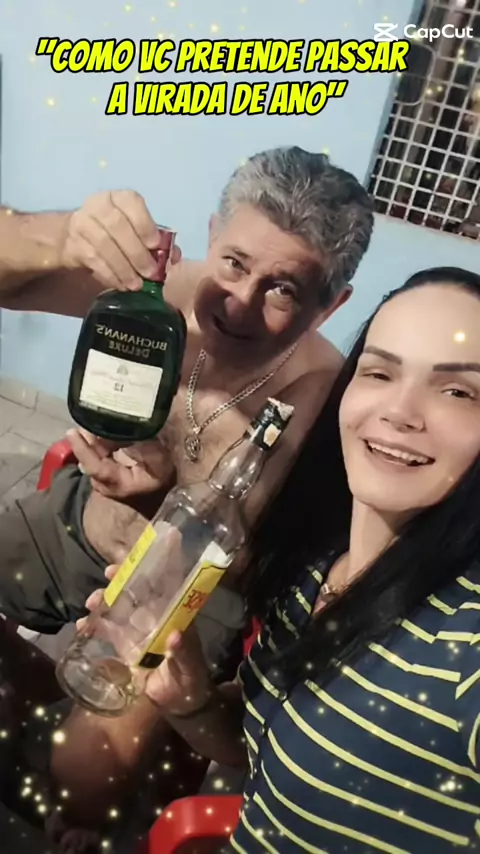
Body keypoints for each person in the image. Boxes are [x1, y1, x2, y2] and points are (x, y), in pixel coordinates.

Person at [60, 266, 480, 853]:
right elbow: (250, 742)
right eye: (380, 372)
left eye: (458, 391)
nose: (400, 412)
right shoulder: (313, 577)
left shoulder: (463, 646)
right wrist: (191, 699)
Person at [0, 146, 373, 658]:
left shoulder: (321, 391)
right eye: (234, 263)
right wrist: (61, 239)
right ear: (213, 234)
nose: (239, 304)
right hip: (79, 522)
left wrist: (154, 503)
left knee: (91, 707)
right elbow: (11, 287)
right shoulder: (161, 291)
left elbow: (254, 563)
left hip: (191, 599)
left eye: (282, 290)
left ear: (330, 306)